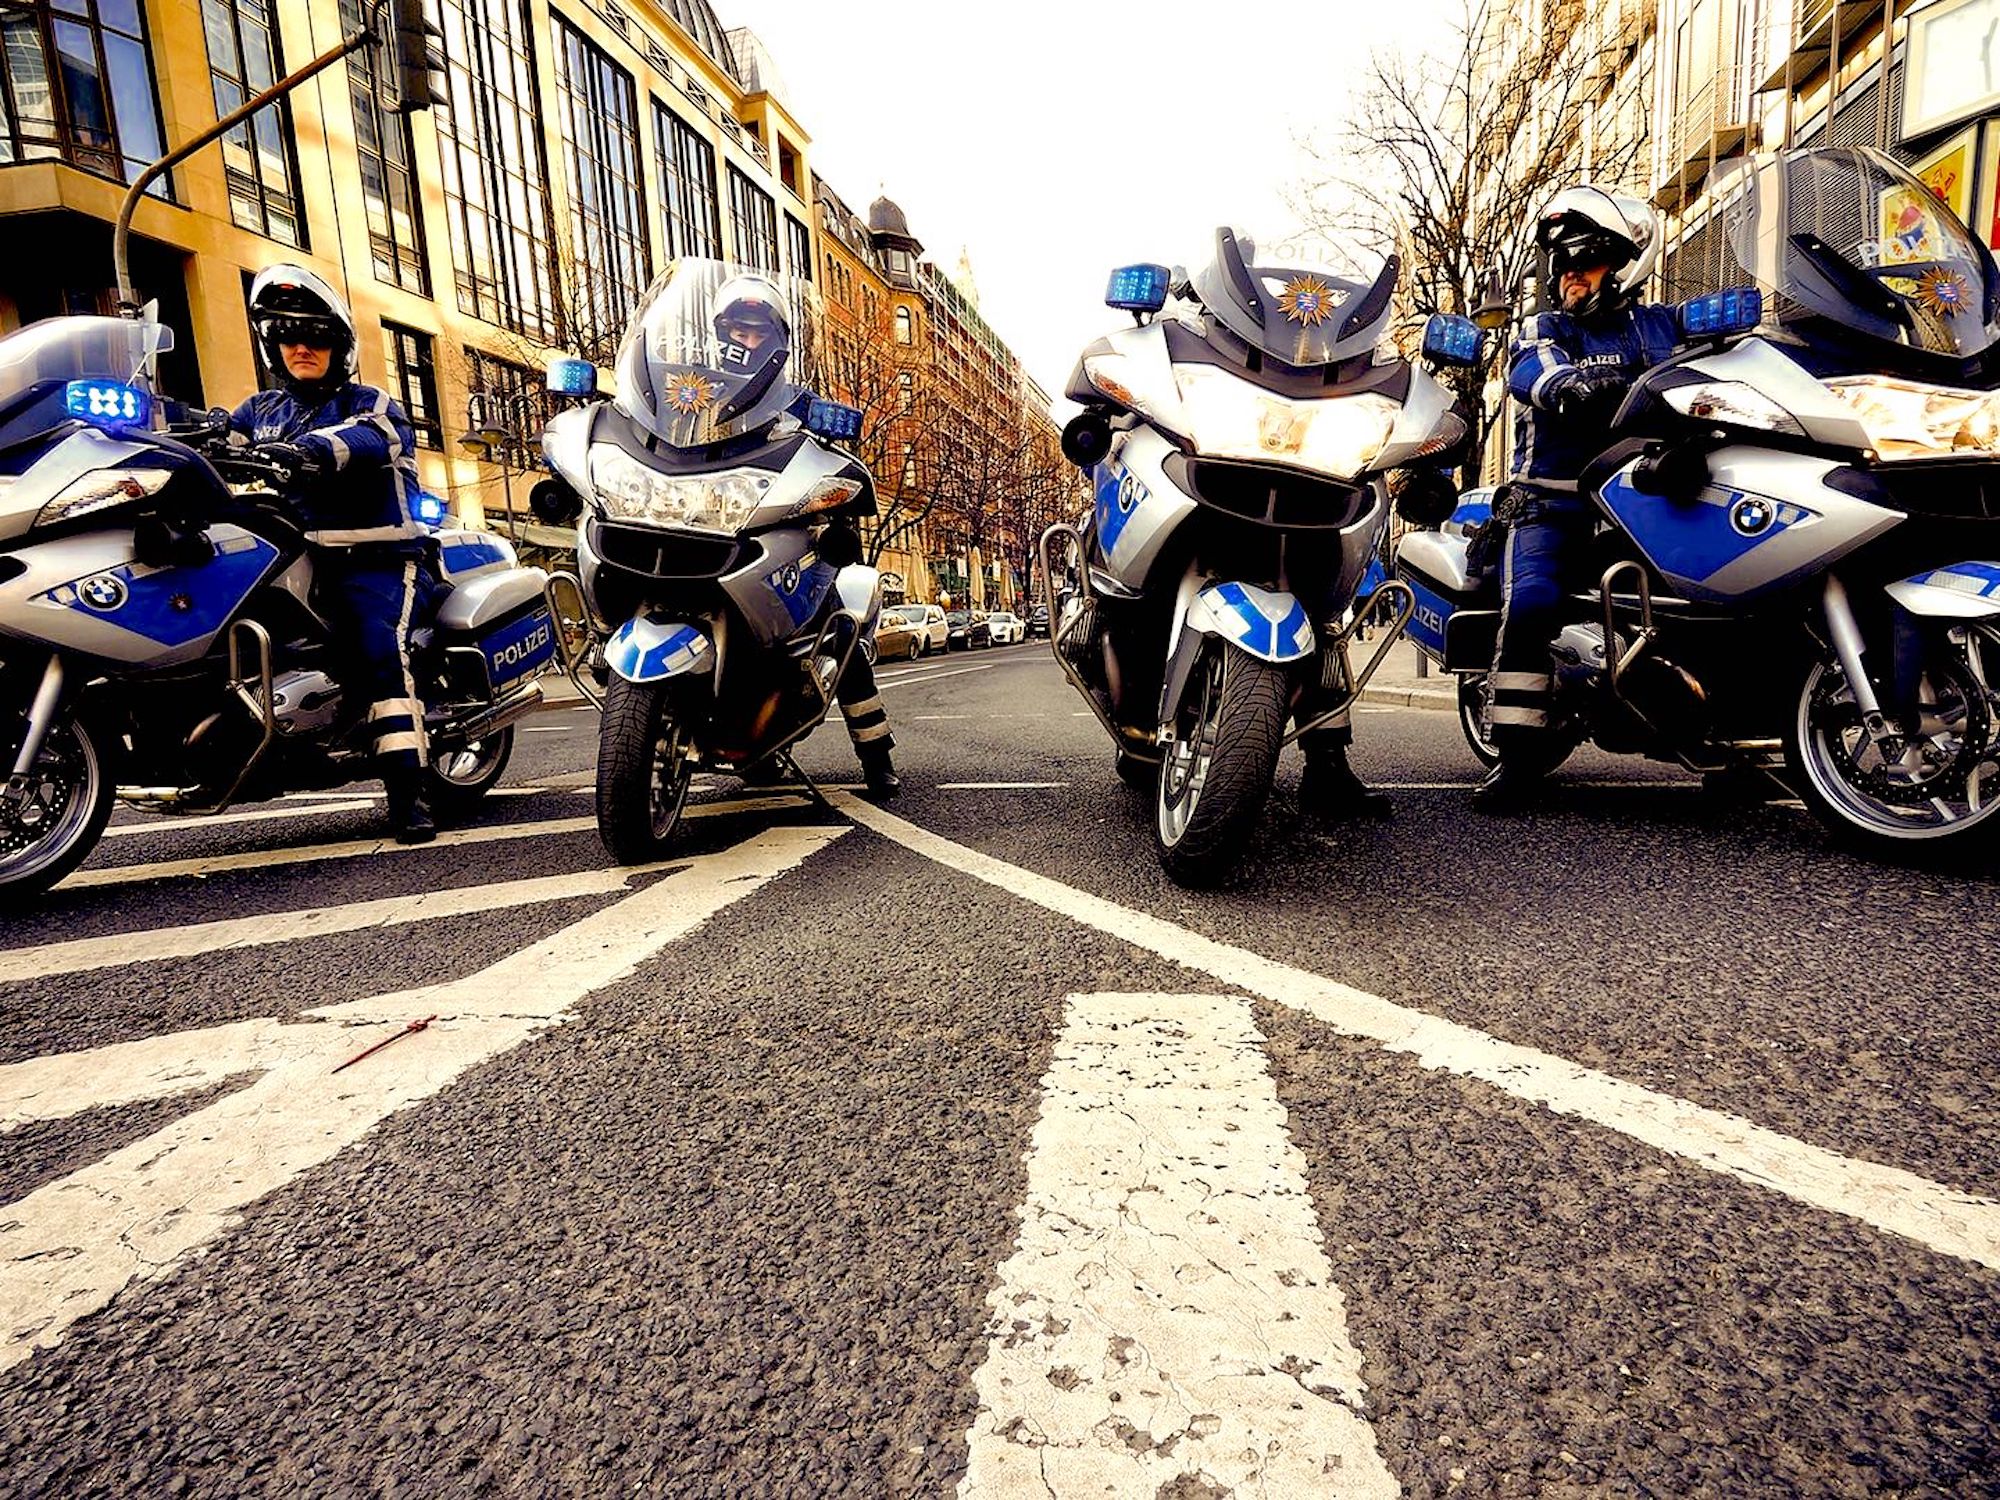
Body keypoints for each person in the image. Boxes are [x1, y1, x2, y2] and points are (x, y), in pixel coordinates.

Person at [1474, 186, 1679, 815]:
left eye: (1583, 262)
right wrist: (1570, 384)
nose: (1568, 276)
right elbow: (1533, 369)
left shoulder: (1663, 324)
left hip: (1649, 496)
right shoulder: (1546, 327)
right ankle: (1515, 758)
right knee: (1534, 602)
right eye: (1561, 265)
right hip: (1550, 503)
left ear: (1623, 265)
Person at [230, 263, 440, 842]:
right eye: (289, 337)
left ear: (339, 346)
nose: (302, 347)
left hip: (377, 559)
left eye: (316, 337)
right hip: (293, 560)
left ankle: (407, 791)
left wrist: (310, 452)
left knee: (377, 648)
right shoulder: (258, 411)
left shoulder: (371, 401)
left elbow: (368, 438)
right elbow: (220, 444)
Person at [711, 272, 901, 796]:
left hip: (776, 532)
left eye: (758, 333)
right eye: (738, 330)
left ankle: (876, 754)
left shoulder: (797, 403)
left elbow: (834, 456)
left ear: (777, 342)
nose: (746, 342)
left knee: (838, 623)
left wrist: (839, 498)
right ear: (719, 332)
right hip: (701, 527)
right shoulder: (688, 394)